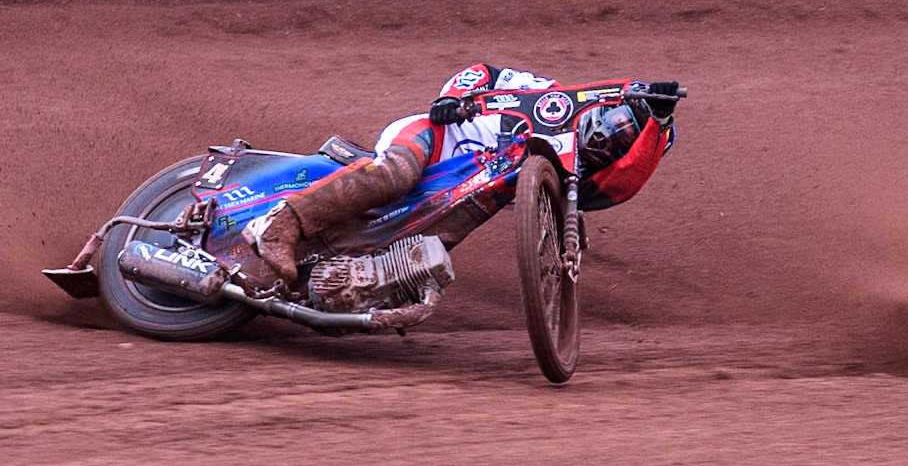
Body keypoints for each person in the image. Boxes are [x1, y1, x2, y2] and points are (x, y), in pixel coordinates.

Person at [244, 64, 681, 282]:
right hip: (435, 138)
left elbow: (620, 185)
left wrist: (657, 127)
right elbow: (485, 72)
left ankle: (329, 276)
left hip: (467, 192)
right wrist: (453, 98)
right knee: (395, 177)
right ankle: (280, 226)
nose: (608, 138)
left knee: (430, 247)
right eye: (617, 123)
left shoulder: (569, 176)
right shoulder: (549, 96)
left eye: (622, 142)